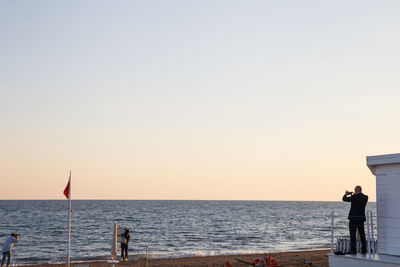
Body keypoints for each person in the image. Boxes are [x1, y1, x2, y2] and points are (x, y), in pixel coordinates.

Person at [342, 185, 368, 254]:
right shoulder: (365, 197)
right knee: (362, 235)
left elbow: (344, 199)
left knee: (352, 235)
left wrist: (346, 194)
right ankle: (364, 249)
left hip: (353, 218)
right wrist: (354, 194)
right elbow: (358, 198)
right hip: (361, 219)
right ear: (361, 190)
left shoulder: (353, 197)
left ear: (356, 190)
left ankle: (353, 250)